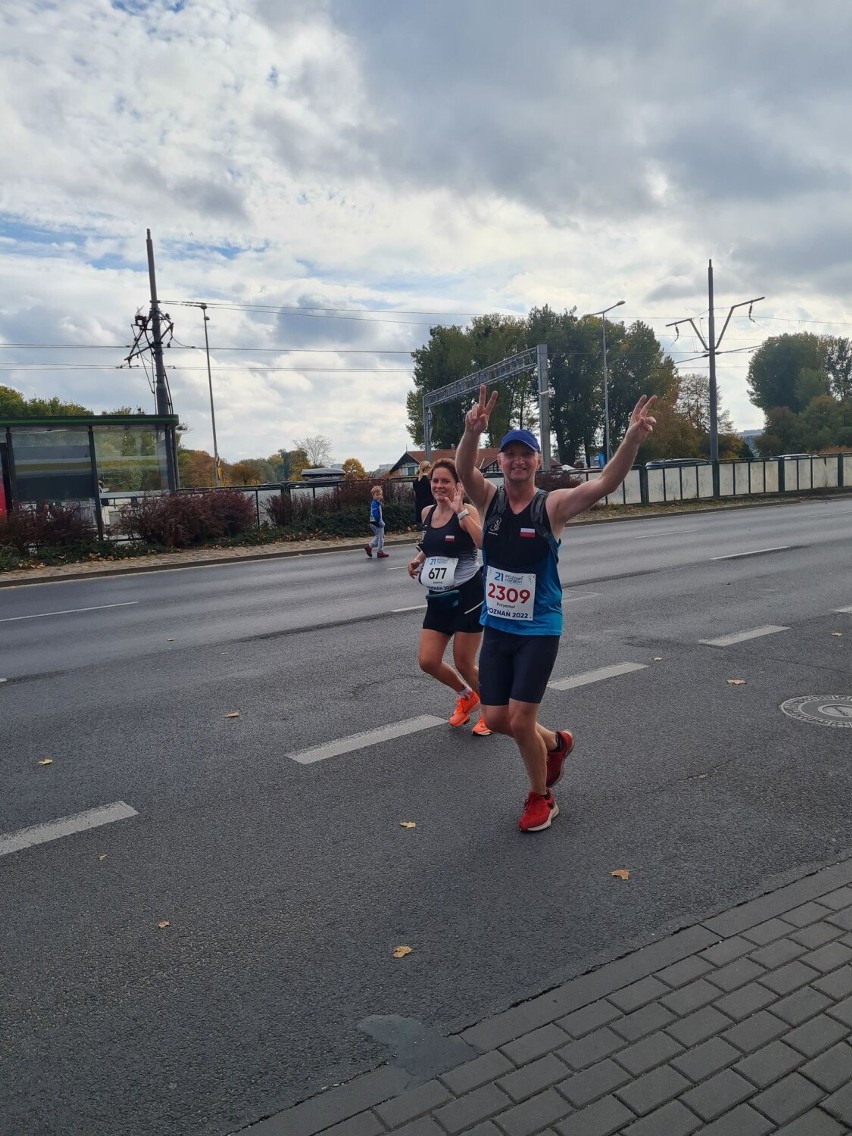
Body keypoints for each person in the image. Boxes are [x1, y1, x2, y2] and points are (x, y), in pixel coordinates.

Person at [455, 386, 657, 833]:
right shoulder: (489, 502)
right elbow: (464, 466)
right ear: (501, 462)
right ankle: (555, 744)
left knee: (521, 718)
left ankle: (540, 798)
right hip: (497, 629)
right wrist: (471, 431)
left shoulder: (552, 506)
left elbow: (604, 483)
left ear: (536, 460)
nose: (517, 461)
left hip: (539, 630)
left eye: (525, 454)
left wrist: (631, 441)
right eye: (509, 455)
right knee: (495, 718)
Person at [407, 459, 490, 736]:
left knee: (464, 662)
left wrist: (461, 513)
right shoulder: (427, 512)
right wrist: (419, 558)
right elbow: (432, 544)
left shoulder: (466, 511)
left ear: (457, 486)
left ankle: (491, 712)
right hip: (440, 596)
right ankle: (468, 696)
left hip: (468, 594)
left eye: (445, 481)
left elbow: (482, 543)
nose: (439, 486)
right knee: (428, 660)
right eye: (435, 481)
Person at [364, 485, 389, 559]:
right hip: (377, 523)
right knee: (381, 538)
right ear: (373, 495)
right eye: (377, 495)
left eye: (380, 494)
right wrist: (379, 522)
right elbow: (375, 514)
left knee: (378, 536)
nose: (379, 496)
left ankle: (369, 546)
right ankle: (379, 551)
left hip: (373, 522)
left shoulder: (376, 502)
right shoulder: (375, 504)